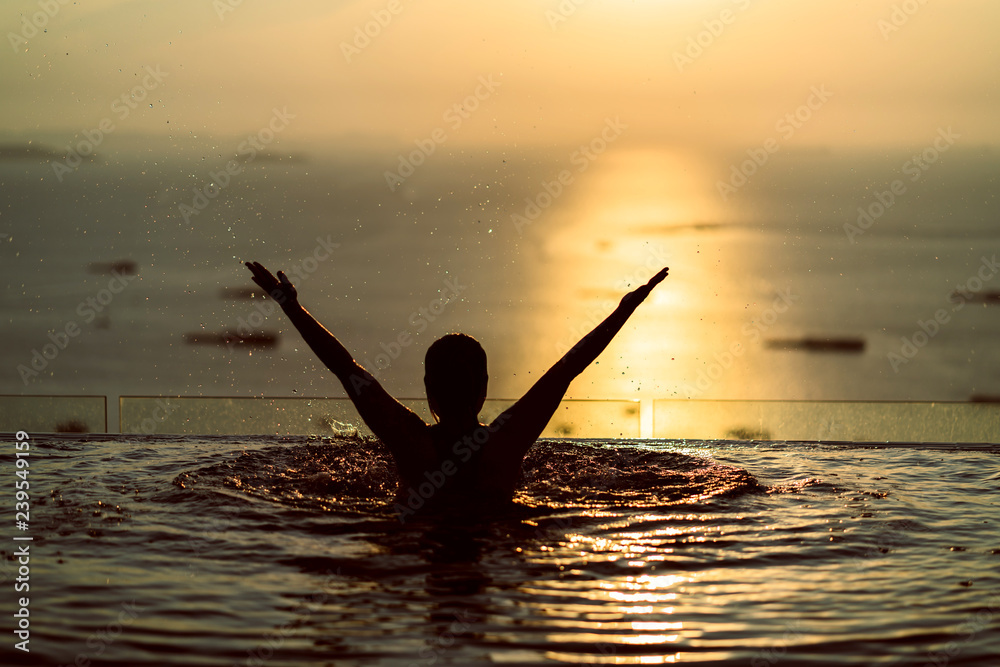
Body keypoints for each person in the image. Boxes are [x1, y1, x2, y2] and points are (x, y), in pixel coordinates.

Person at [244, 261, 668, 520]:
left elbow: (343, 367)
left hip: (420, 540)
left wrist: (292, 307)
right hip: (495, 537)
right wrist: (623, 311)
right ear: (483, 388)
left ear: (429, 388)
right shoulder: (505, 442)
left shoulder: (411, 443)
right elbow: (567, 370)